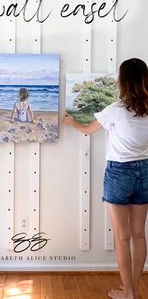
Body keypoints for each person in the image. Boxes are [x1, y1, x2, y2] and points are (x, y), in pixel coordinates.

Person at [62, 58, 148, 299]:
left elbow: (88, 130)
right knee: (139, 235)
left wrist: (71, 122)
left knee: (122, 236)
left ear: (122, 81)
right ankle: (133, 288)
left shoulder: (115, 110)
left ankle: (128, 293)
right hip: (145, 172)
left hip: (120, 172)